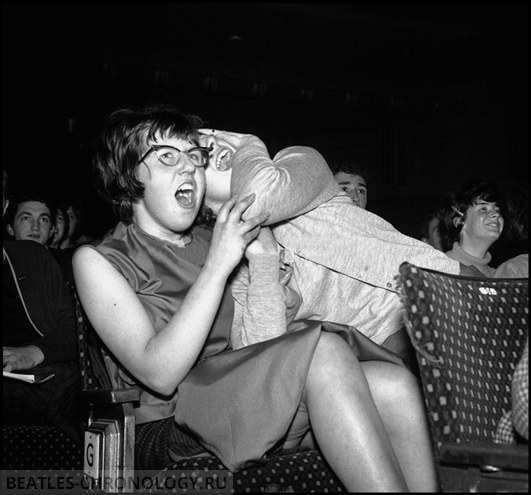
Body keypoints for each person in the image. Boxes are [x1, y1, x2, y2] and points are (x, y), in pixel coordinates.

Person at [73, 103, 439, 491]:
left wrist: (263, 264)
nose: (189, 168)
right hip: (170, 422)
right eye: (167, 156)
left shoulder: (220, 237)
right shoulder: (99, 259)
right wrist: (218, 266)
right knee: (326, 351)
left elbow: (261, 349)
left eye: (196, 157)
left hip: (240, 397)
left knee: (394, 383)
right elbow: (159, 374)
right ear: (128, 174)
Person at [199, 128, 471, 366]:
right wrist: (264, 262)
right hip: (390, 346)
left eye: (211, 134)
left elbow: (260, 198)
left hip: (453, 289)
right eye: (199, 152)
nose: (213, 141)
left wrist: (248, 142)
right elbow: (255, 355)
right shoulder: (234, 263)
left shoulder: (298, 161)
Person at [3, 171, 82, 441]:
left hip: (47, 371)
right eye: (26, 218)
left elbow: (74, 329)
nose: (36, 227)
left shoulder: (65, 261)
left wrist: (33, 353)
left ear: (54, 230)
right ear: (10, 226)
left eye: (44, 219)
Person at [439, 178, 505, 277]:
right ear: (459, 221)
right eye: (483, 209)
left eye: (497, 210)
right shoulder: (441, 269)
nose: (496, 214)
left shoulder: (503, 277)